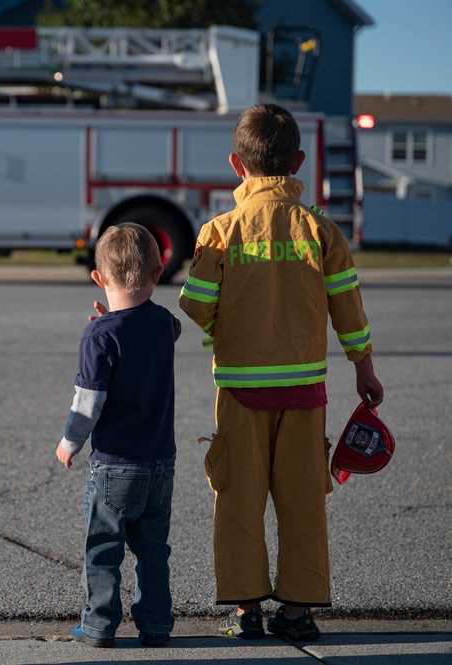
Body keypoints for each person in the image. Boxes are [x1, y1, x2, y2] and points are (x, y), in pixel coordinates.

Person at [179, 103, 384, 642]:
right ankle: (298, 611)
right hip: (304, 392)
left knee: (239, 499)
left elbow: (195, 302)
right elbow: (349, 309)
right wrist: (363, 367)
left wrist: (223, 324)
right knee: (302, 502)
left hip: (242, 393)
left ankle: (245, 611)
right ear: (297, 161)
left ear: (235, 164)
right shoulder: (322, 230)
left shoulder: (219, 231)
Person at [56, 223, 180, 649]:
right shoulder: (164, 324)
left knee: (104, 547)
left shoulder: (99, 334)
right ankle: (156, 623)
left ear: (98, 278)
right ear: (158, 274)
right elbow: (169, 328)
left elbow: (88, 400)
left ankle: (99, 625)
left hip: (115, 463)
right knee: (152, 549)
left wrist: (70, 442)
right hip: (161, 461)